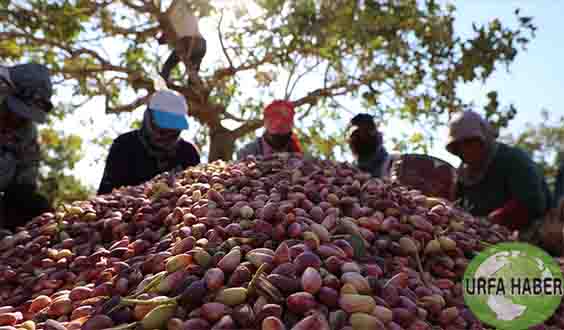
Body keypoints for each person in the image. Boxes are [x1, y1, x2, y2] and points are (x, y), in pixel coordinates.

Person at [446, 110, 548, 235]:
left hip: (529, 233)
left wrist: (490, 221)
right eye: (458, 146)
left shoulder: (512, 159)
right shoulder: (462, 176)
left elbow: (532, 202)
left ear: (483, 139)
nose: (465, 150)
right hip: (480, 238)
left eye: (470, 142)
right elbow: (457, 211)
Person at [98, 90, 200, 195]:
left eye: (171, 128)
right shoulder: (124, 146)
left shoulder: (189, 153)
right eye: (159, 126)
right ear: (148, 118)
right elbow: (105, 195)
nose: (163, 134)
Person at [0, 63, 53, 231]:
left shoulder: (27, 133)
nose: (18, 119)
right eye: (14, 111)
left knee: (36, 206)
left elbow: (24, 185)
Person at [236, 100, 303, 160]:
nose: (279, 122)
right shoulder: (246, 153)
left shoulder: (297, 152)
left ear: (291, 125)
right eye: (274, 120)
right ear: (265, 124)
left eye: (284, 125)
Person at [158, 6, 206, 82]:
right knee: (193, 74)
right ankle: (194, 85)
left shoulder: (171, 18)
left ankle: (162, 81)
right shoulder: (185, 10)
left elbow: (162, 40)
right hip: (202, 45)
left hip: (187, 42)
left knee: (167, 66)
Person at [348, 113, 399, 178]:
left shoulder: (394, 162)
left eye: (367, 132)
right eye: (356, 135)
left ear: (380, 137)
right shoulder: (350, 172)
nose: (362, 136)